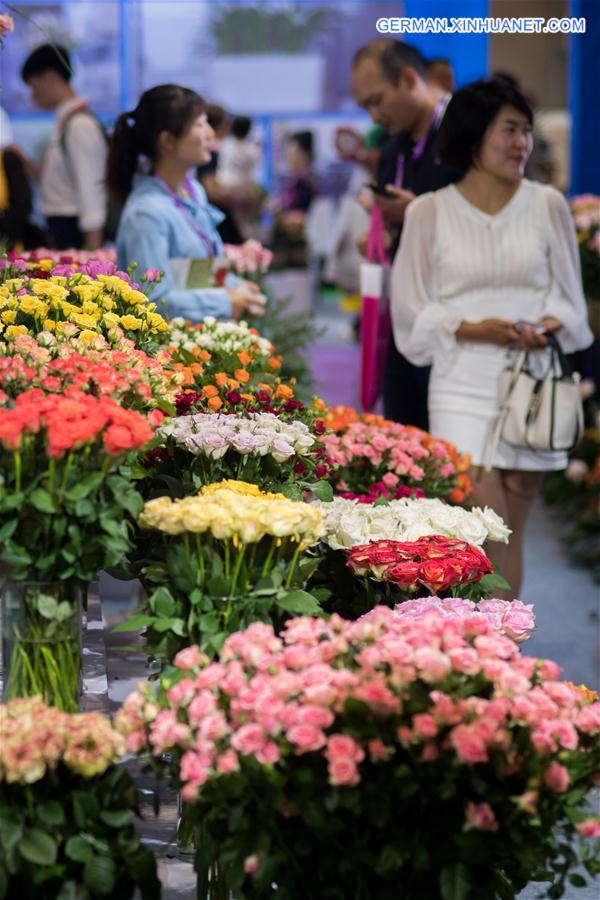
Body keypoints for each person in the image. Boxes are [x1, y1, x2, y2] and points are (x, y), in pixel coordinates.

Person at [391, 78, 593, 596]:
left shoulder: (548, 204)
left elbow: (569, 302)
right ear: (474, 136)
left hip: (532, 385)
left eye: (526, 130)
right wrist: (473, 327)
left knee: (512, 535)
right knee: (483, 531)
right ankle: (483, 650)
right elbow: (410, 309)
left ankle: (504, 654)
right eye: (509, 130)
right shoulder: (428, 212)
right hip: (461, 379)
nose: (521, 142)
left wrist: (544, 325)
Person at [351, 40, 459, 429]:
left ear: (410, 79)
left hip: (454, 317)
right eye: (366, 107)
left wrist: (415, 211)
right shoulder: (394, 150)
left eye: (377, 101)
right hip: (402, 315)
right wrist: (382, 235)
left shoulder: (464, 137)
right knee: (403, 432)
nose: (375, 116)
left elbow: (488, 218)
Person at [107, 84, 261, 322]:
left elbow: (189, 272)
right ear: (168, 141)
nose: (211, 133)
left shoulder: (193, 193)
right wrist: (224, 302)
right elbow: (152, 299)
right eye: (200, 124)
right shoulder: (147, 212)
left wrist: (235, 285)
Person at [20, 44, 107, 250]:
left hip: (75, 232)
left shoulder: (79, 125)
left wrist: (91, 254)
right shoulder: (65, 121)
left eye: (33, 86)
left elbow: (91, 192)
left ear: (50, 76)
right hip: (62, 228)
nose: (32, 95)